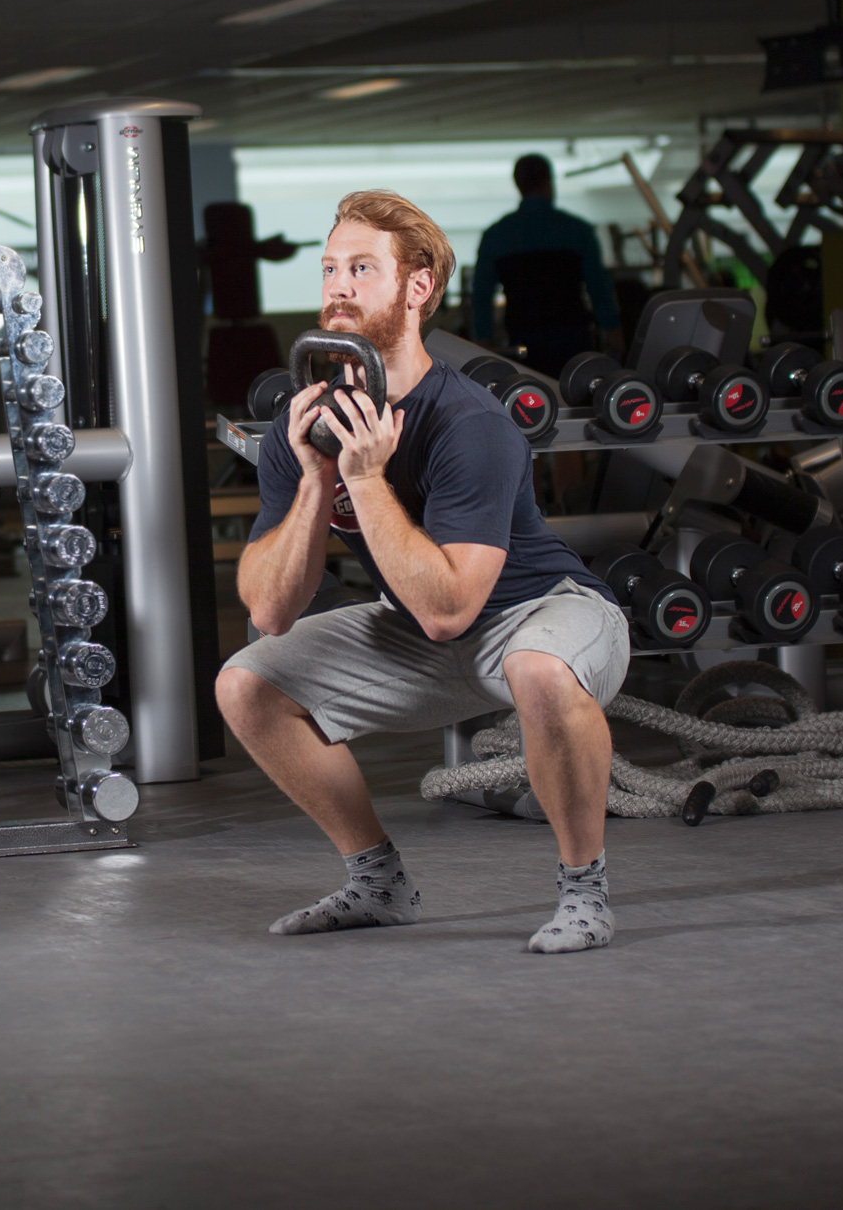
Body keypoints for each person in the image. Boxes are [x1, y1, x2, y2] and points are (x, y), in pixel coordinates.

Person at [217, 190, 630, 954]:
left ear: (418, 287)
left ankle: (586, 893)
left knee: (537, 669)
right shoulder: (304, 423)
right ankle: (377, 883)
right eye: (330, 268)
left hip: (543, 613)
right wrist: (315, 479)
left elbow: (451, 609)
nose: (338, 286)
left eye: (362, 268)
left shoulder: (470, 424)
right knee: (247, 683)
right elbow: (271, 609)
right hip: (420, 625)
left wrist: (368, 481)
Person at [469, 154, 622, 374]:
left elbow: (482, 297)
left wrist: (482, 342)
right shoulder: (578, 230)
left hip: (522, 344)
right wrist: (615, 336)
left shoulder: (496, 235)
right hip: (573, 342)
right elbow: (599, 289)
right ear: (549, 182)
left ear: (518, 184)